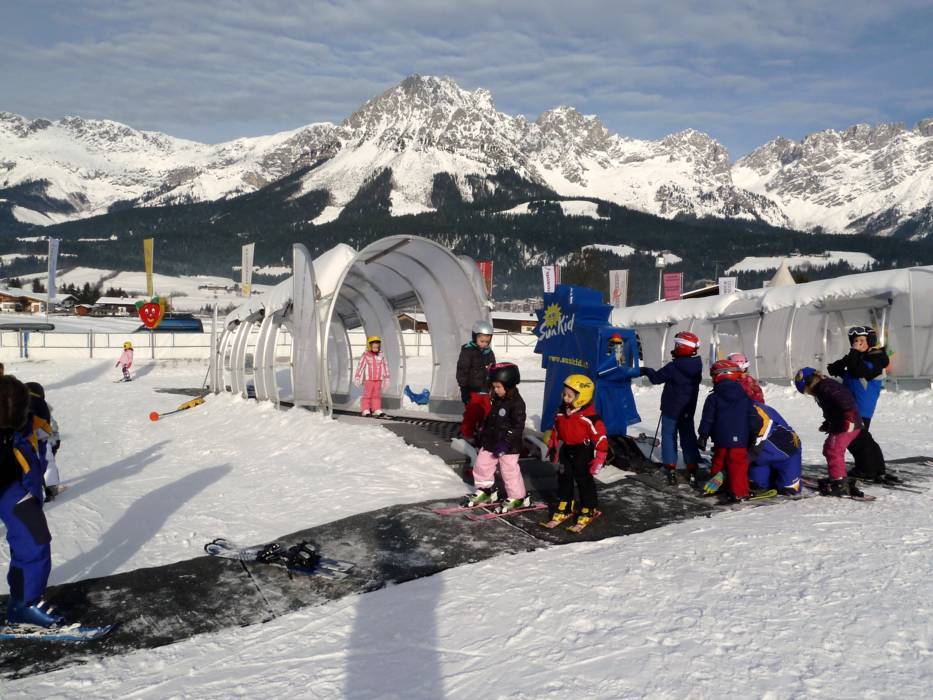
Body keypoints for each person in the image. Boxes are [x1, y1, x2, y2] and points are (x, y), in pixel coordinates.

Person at [0, 375, 64, 628]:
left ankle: (23, 603)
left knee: (33, 541)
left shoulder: (28, 415)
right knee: (32, 542)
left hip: (16, 488)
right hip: (9, 485)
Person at [826, 326, 892, 482]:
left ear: (870, 341)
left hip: (862, 408)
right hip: (851, 407)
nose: (858, 344)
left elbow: (858, 371)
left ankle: (867, 469)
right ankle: (876, 468)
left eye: (861, 340)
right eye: (855, 341)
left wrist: (853, 353)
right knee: (862, 439)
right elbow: (833, 368)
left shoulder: (876, 359)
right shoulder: (856, 359)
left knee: (855, 440)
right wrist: (848, 357)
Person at [639, 330, 703, 485]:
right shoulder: (697, 365)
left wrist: (647, 370)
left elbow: (656, 379)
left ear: (682, 347)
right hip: (687, 409)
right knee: (688, 438)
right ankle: (692, 467)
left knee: (669, 436)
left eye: (677, 345)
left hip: (671, 410)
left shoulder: (674, 367)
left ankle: (670, 467)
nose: (674, 348)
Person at [545, 374, 608, 529]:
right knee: (564, 477)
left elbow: (600, 437)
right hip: (567, 448)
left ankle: (589, 507)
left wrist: (600, 457)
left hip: (583, 450)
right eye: (564, 394)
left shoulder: (589, 418)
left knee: (583, 479)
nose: (565, 398)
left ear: (582, 397)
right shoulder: (562, 412)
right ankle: (565, 503)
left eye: (569, 396)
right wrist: (553, 444)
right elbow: (557, 428)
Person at [463, 363, 528, 512]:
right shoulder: (497, 399)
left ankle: (517, 497)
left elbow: (518, 426)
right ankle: (485, 491)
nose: (495, 390)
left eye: (498, 387)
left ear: (509, 385)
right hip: (491, 441)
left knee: (509, 471)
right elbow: (492, 419)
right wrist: (482, 431)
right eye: (494, 387)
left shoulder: (517, 404)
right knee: (482, 464)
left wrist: (506, 442)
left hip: (509, 446)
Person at [696, 360, 762, 502]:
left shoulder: (713, 397)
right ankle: (739, 492)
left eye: (713, 376)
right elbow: (755, 419)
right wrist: (754, 433)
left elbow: (707, 419)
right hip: (740, 440)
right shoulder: (745, 397)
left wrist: (703, 436)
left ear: (719, 376)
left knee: (719, 461)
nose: (712, 379)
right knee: (737, 465)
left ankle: (717, 486)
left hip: (720, 439)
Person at [795, 368, 865, 497]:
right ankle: (839, 477)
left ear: (810, 382)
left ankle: (839, 483)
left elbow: (843, 399)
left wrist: (848, 416)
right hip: (842, 423)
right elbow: (831, 408)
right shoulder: (823, 388)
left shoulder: (826, 387)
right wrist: (828, 423)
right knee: (830, 449)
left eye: (807, 390)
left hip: (848, 422)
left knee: (834, 450)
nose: (809, 394)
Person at [747, 402, 803, 495]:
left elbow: (766, 426)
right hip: (761, 459)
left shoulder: (758, 411)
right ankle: (771, 476)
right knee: (755, 485)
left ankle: (784, 477)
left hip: (787, 454)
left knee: (789, 490)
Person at [456, 320, 496, 442]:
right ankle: (466, 433)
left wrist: (494, 385)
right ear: (475, 337)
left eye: (487, 341)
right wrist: (464, 389)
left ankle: (482, 431)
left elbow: (493, 369)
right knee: (472, 413)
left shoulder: (489, 353)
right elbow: (462, 370)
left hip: (486, 390)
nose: (484, 344)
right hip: (472, 390)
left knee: (487, 412)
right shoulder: (468, 351)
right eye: (481, 341)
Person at [24, 382, 62, 502]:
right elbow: (51, 425)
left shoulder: (19, 405)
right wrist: (55, 440)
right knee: (47, 461)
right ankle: (50, 488)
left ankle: (31, 489)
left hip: (28, 441)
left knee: (31, 464)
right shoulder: (42, 406)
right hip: (42, 440)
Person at [353, 336, 390, 417]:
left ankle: (376, 409)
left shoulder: (381, 356)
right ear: (369, 346)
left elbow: (385, 366)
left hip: (378, 379)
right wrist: (357, 377)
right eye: (374, 347)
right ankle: (365, 409)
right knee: (367, 395)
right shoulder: (366, 355)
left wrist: (387, 378)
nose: (376, 349)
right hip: (369, 380)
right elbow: (360, 366)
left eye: (377, 347)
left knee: (377, 395)